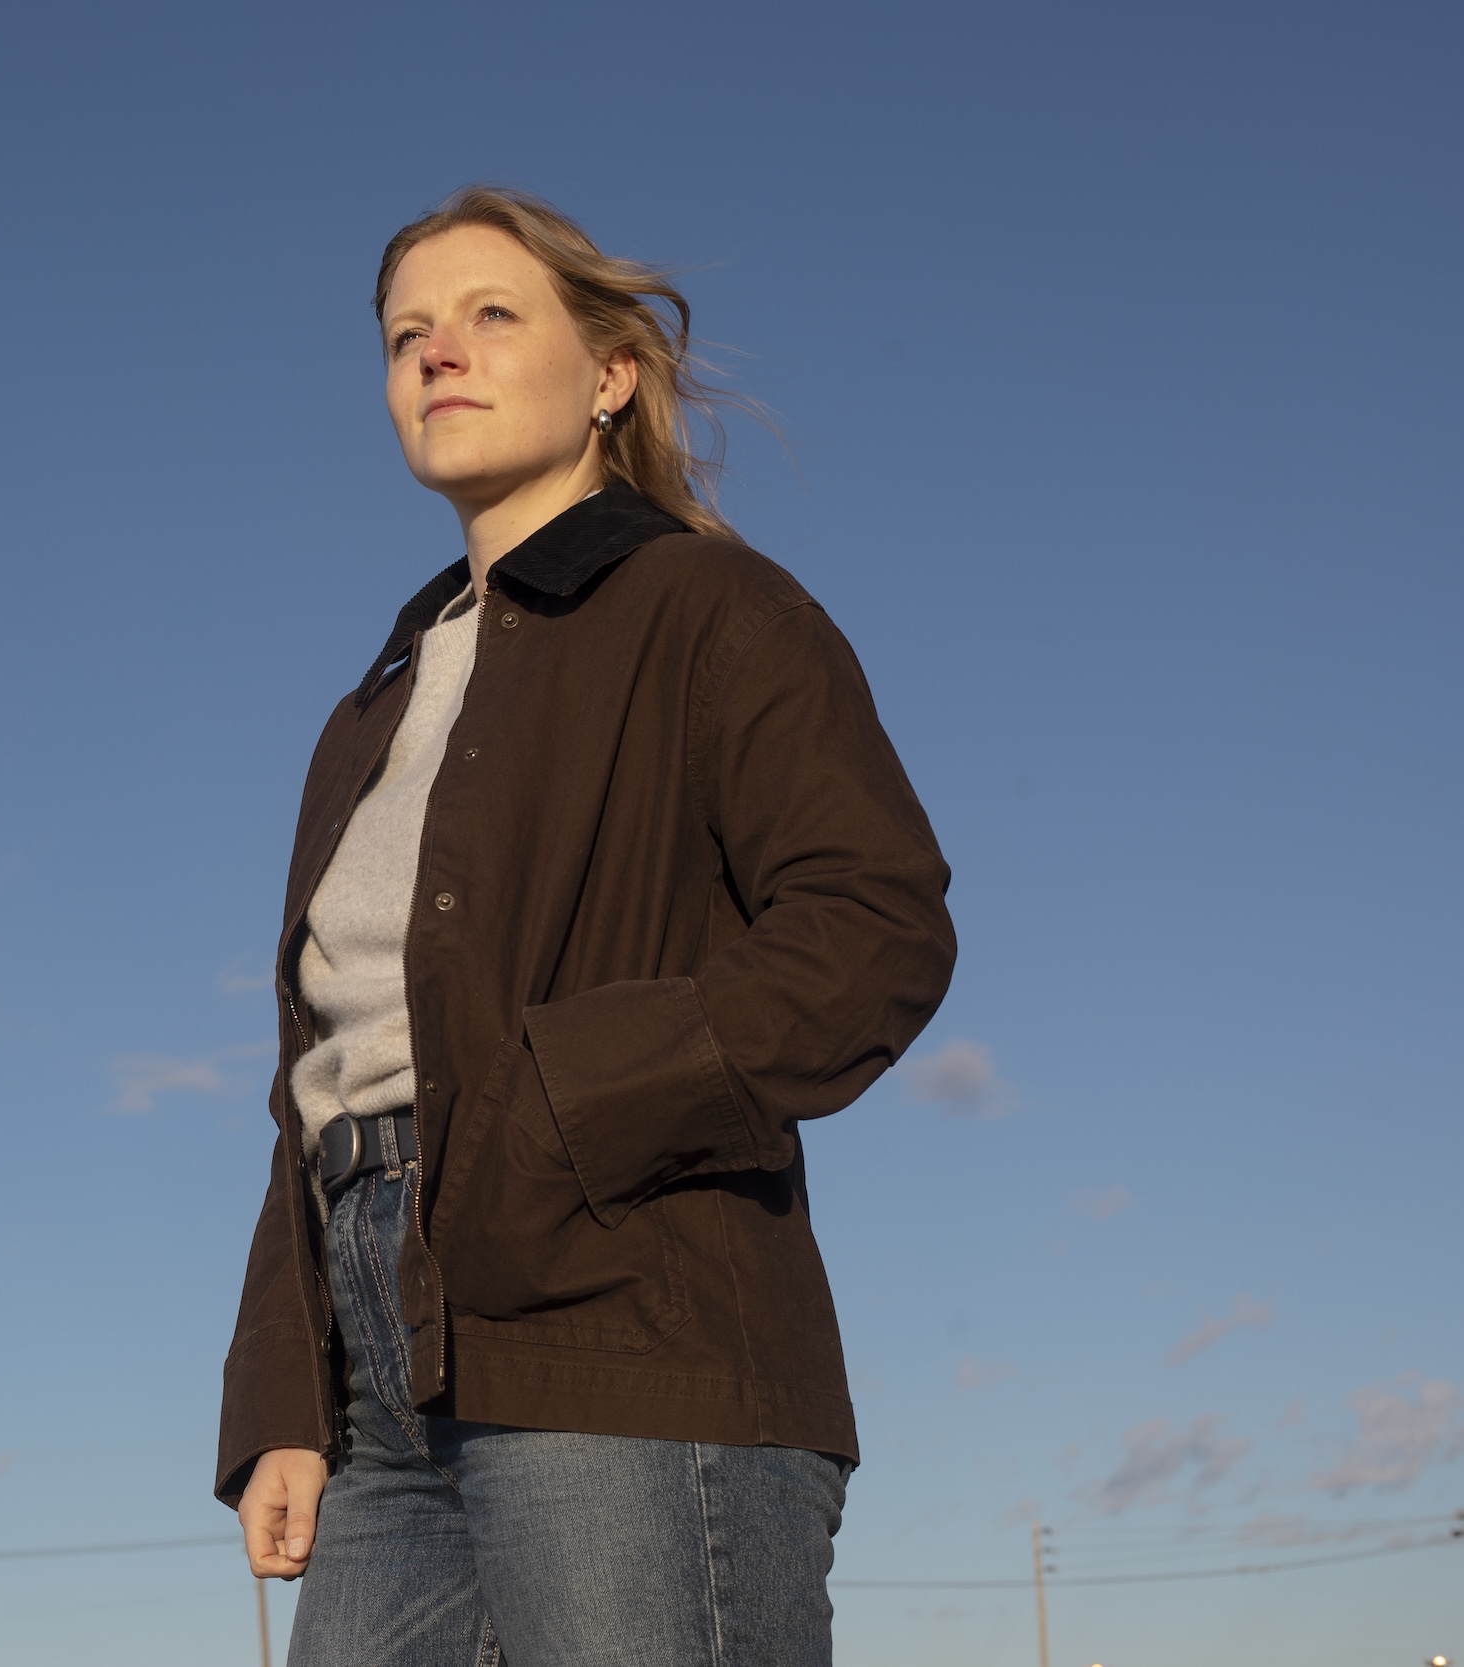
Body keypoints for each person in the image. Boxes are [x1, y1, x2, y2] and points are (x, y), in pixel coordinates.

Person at [216, 187, 957, 1666]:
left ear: (610, 376)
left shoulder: (709, 607)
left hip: (630, 1337)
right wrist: (284, 1403)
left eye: (493, 315)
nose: (440, 353)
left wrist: (562, 1097)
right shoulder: (366, 712)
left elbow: (874, 930)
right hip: (382, 1398)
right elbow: (329, 1073)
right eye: (406, 333)